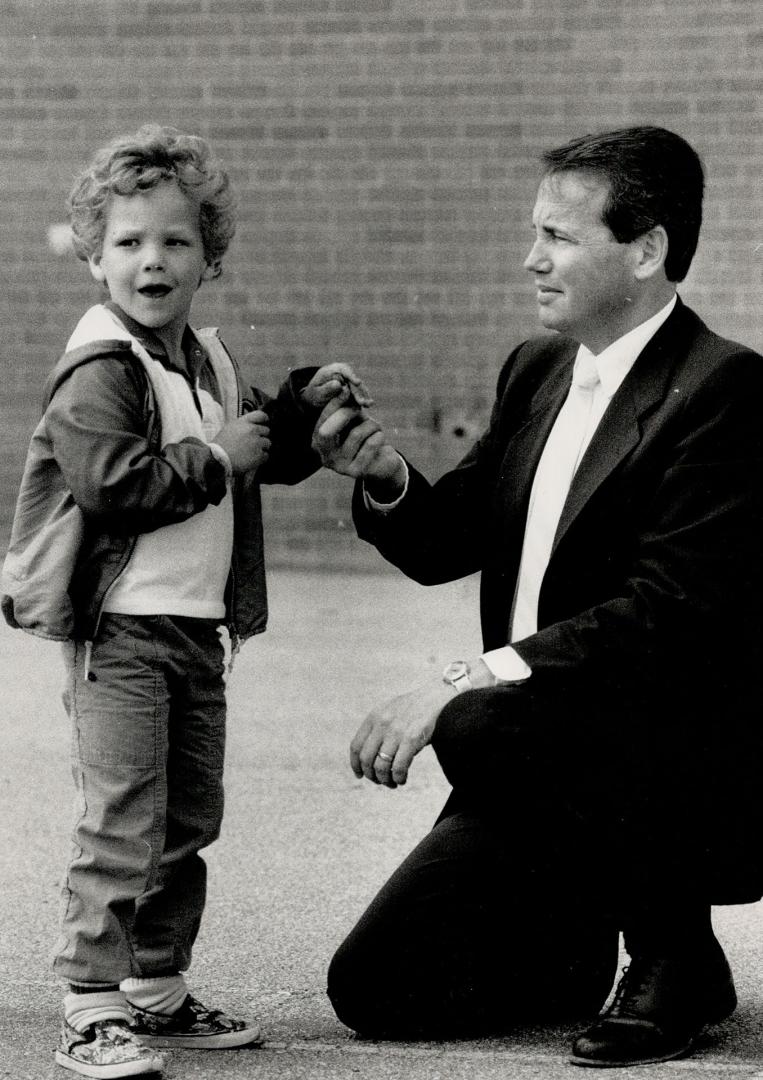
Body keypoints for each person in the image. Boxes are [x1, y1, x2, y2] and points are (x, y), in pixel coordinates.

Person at [313, 126, 763, 1067]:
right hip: (537, 755)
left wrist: (461, 679)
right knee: (378, 990)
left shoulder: (724, 388)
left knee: (477, 720)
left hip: (659, 759)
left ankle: (676, 955)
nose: (531, 258)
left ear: (646, 251)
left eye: (559, 236)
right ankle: (569, 936)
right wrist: (386, 473)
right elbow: (446, 544)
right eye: (535, 233)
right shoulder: (538, 370)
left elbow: (668, 609)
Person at [1, 125, 370, 1079]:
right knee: (123, 820)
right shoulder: (98, 368)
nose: (150, 260)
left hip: (194, 633)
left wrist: (298, 412)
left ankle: (155, 991)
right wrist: (218, 459)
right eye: (127, 243)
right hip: (118, 633)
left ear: (210, 256)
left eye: (173, 241)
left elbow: (246, 454)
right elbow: (115, 483)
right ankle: (89, 1004)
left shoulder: (204, 359)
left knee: (186, 819)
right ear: (93, 257)